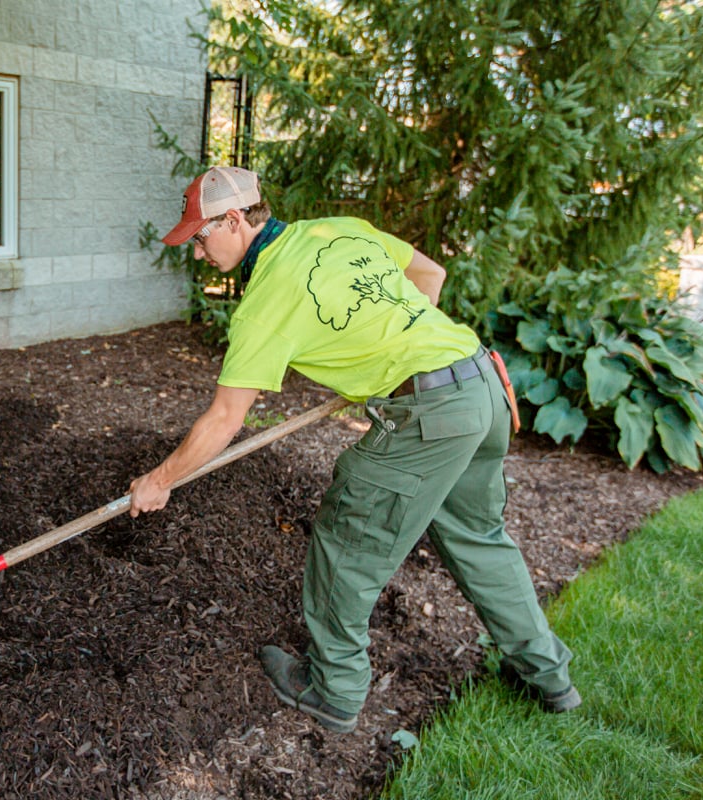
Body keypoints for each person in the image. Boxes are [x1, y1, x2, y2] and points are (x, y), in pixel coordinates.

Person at [128, 166, 579, 734]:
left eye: (200, 237)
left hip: (432, 413)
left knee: (348, 541)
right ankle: (549, 676)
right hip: (481, 385)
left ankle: (333, 689)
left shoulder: (266, 298)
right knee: (478, 538)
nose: (197, 252)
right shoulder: (338, 229)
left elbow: (223, 419)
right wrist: (396, 348)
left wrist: (159, 479)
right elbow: (429, 273)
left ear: (235, 220)